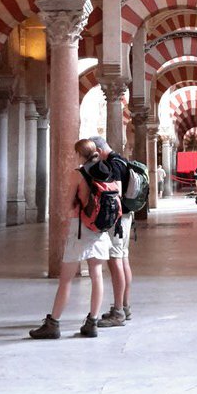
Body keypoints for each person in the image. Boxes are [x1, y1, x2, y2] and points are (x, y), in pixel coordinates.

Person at [29, 139, 112, 339]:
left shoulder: (78, 173)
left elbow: (68, 204)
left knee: (66, 279)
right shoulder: (108, 171)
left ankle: (53, 323)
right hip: (100, 229)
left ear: (79, 154)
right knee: (97, 274)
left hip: (81, 228)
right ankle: (92, 322)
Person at [89, 136, 133, 327]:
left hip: (118, 218)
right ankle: (124, 306)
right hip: (127, 217)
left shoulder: (112, 165)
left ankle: (118, 312)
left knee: (115, 261)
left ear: (99, 150)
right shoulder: (122, 160)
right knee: (122, 258)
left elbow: (115, 193)